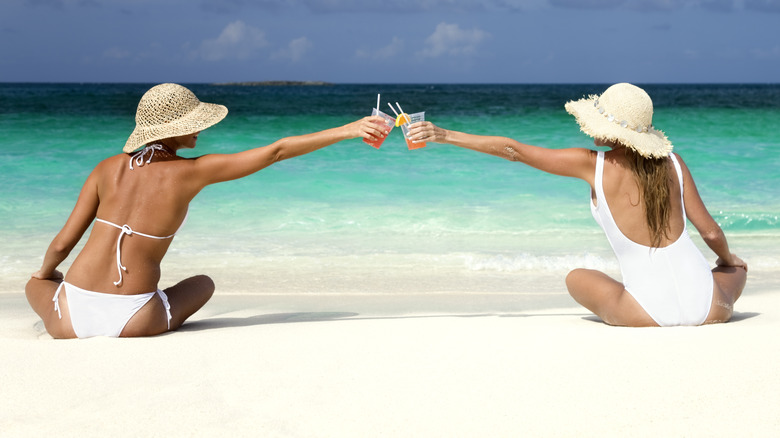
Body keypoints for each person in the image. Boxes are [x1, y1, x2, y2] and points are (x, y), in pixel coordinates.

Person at [26, 83, 390, 338]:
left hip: (68, 318)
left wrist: (47, 275)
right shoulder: (191, 173)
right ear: (173, 129)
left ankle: (57, 290)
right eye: (194, 122)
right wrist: (349, 129)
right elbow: (276, 151)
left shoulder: (106, 168)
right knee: (204, 284)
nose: (201, 129)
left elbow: (61, 245)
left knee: (35, 283)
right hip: (137, 320)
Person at [408, 83, 747, 326]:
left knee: (576, 278)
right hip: (710, 307)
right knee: (735, 270)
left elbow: (514, 150)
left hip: (644, 313)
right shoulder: (673, 162)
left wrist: (442, 134)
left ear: (611, 130)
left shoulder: (593, 163)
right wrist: (727, 261)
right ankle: (725, 280)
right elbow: (712, 232)